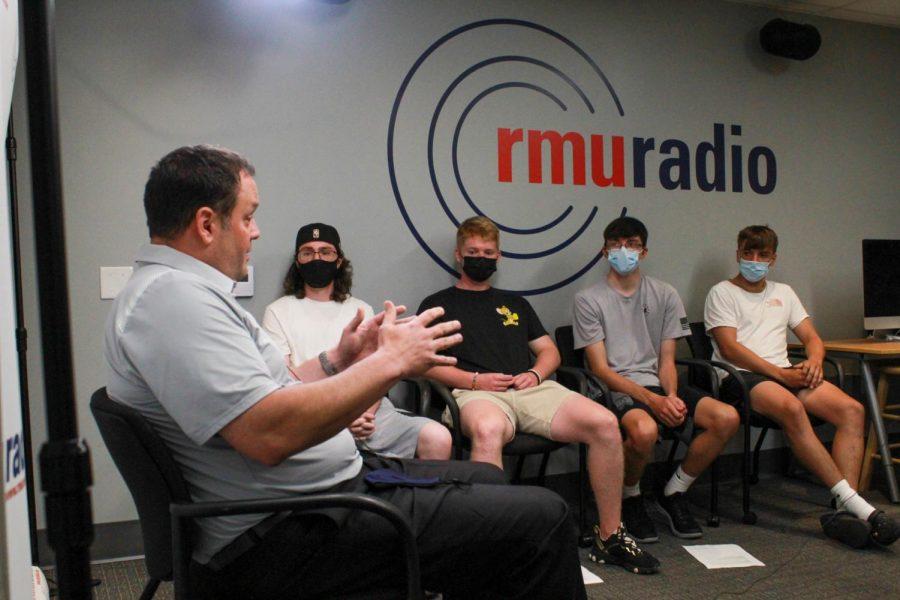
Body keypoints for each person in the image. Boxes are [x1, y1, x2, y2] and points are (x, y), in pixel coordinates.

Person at [104, 145, 587, 599]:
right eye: (247, 217)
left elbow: (273, 394)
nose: (255, 231)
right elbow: (269, 433)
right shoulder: (174, 302)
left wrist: (342, 358)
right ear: (207, 224)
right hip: (290, 531)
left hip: (318, 498)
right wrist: (390, 362)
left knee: (492, 482)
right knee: (545, 518)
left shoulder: (177, 294)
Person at [419, 216, 660, 575]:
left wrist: (534, 373)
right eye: (473, 252)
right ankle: (494, 543)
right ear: (458, 255)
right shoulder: (438, 304)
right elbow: (423, 364)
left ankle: (610, 536)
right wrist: (474, 380)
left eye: (488, 252)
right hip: (473, 393)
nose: (480, 258)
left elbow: (550, 352)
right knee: (487, 431)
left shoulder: (515, 303)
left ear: (499, 256)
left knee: (605, 422)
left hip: (530, 389)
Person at [704, 225, 899, 548]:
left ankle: (843, 510)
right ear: (737, 254)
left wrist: (814, 362)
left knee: (852, 410)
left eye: (762, 255)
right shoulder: (722, 292)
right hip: (741, 377)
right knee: (792, 407)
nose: (754, 260)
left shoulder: (784, 292)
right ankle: (857, 504)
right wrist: (781, 376)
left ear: (773, 258)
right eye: (747, 254)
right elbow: (730, 349)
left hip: (785, 373)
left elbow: (812, 339)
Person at [573, 216, 739, 543]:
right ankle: (631, 496)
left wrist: (671, 395)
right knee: (644, 430)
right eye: (616, 245)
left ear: (644, 252)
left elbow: (667, 359)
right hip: (616, 387)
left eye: (632, 244)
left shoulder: (665, 293)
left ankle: (672, 491)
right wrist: (653, 401)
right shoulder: (588, 299)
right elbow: (601, 370)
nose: (624, 251)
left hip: (660, 384)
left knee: (726, 417)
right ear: (604, 251)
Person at [262, 222, 451, 459]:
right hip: (310, 413)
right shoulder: (277, 311)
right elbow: (282, 380)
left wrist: (364, 414)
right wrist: (339, 419)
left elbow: (376, 370)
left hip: (366, 408)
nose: (316, 258)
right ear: (298, 261)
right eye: (307, 252)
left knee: (438, 437)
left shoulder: (360, 309)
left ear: (339, 260)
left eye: (325, 252)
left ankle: (422, 497)